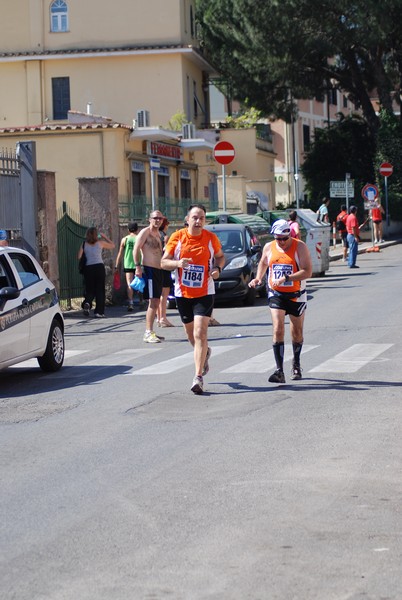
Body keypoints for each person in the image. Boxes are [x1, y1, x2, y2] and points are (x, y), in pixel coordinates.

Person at [161, 203, 225, 395]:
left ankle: (198, 377)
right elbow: (164, 262)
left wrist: (217, 269)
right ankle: (205, 354)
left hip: (205, 292)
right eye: (195, 217)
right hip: (183, 293)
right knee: (191, 335)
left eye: (202, 218)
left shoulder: (211, 238)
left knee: (200, 333)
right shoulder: (177, 237)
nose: (198, 221)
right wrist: (178, 263)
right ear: (187, 219)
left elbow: (221, 257)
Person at [249, 219, 312, 383]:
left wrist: (287, 278)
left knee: (297, 331)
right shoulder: (269, 247)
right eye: (279, 239)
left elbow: (307, 272)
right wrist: (258, 278)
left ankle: (296, 363)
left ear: (290, 235)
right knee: (277, 328)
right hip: (276, 293)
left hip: (297, 294)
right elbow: (263, 262)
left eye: (285, 238)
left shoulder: (300, 247)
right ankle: (279, 370)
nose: (282, 242)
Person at [133, 210, 166, 343]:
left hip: (159, 270)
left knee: (157, 301)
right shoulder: (145, 232)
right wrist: (137, 267)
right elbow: (136, 249)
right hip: (149, 270)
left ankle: (151, 330)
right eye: (155, 218)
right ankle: (148, 332)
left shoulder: (159, 234)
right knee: (153, 301)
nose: (157, 220)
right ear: (150, 219)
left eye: (160, 218)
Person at [78, 227, 115, 317]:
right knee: (100, 290)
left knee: (90, 289)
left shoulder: (84, 244)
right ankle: (99, 312)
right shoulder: (100, 243)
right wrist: (104, 236)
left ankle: (87, 302)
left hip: (88, 268)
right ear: (96, 235)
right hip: (99, 267)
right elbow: (113, 245)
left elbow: (79, 256)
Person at [115, 222, 142, 312]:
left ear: (128, 230)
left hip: (128, 264)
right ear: (137, 229)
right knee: (139, 283)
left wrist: (116, 265)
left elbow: (120, 253)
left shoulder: (125, 239)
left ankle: (130, 303)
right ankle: (141, 301)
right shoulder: (139, 238)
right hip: (138, 264)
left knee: (129, 283)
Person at [157, 217, 175, 327]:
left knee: (157, 294)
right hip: (164, 266)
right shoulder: (165, 237)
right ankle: (163, 317)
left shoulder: (154, 235)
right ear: (165, 225)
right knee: (165, 293)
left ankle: (159, 318)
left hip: (154, 266)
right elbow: (167, 252)